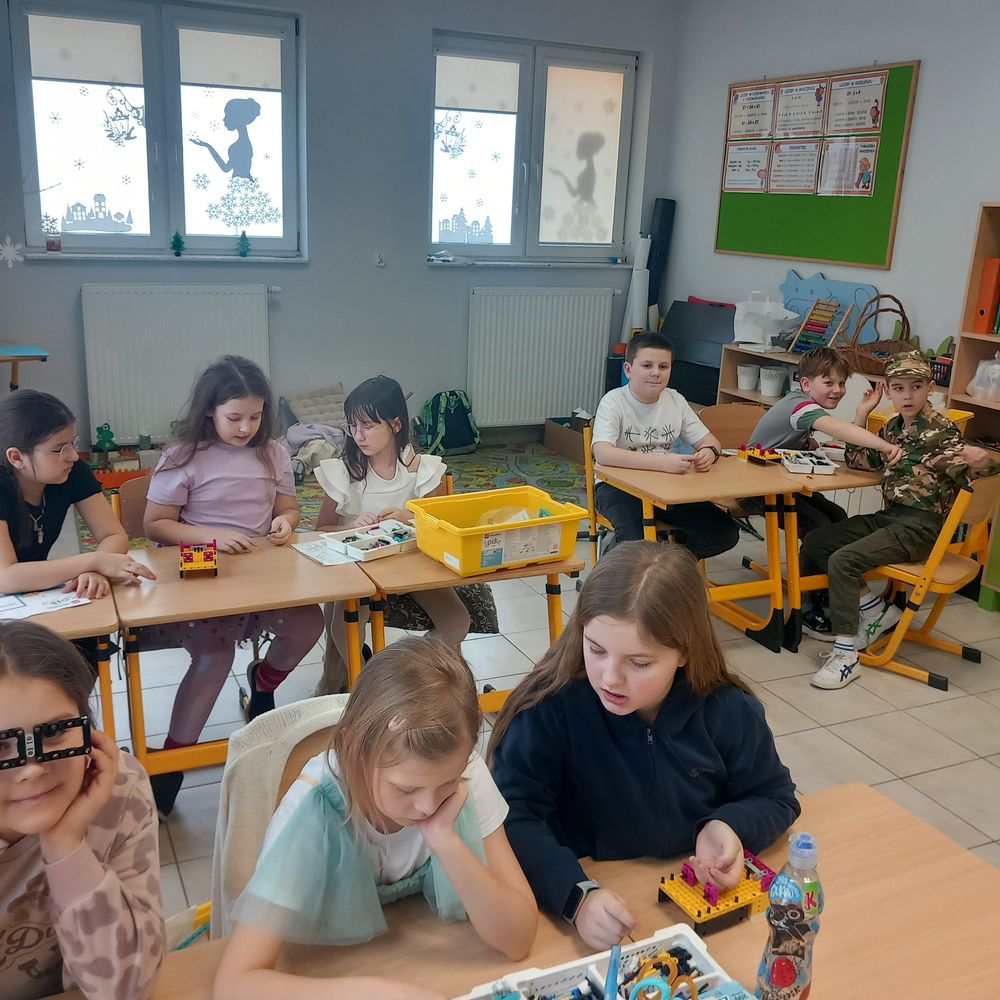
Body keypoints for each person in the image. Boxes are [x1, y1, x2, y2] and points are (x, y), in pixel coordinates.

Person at [488, 542, 799, 951]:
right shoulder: (549, 709)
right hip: (592, 897)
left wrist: (727, 825)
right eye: (596, 650)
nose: (610, 678)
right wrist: (575, 896)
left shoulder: (728, 711)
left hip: (690, 909)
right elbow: (511, 818)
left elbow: (775, 796)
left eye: (639, 663)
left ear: (684, 652)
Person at [214, 637, 537, 1000]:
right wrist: (377, 993)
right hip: (330, 970)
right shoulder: (312, 807)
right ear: (354, 749)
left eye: (446, 783)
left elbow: (519, 938)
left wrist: (446, 841)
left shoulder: (465, 774)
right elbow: (235, 984)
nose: (427, 806)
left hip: (407, 959)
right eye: (406, 789)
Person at [143, 355, 323, 814]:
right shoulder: (183, 457)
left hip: (256, 566)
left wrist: (285, 522)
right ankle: (172, 761)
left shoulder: (273, 452)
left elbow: (288, 509)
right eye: (234, 417)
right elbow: (155, 524)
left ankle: (263, 682)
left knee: (308, 623)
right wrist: (211, 536)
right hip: (202, 566)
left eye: (255, 417)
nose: (246, 428)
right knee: (214, 655)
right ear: (209, 410)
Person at [801, 350, 1000, 689]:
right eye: (898, 388)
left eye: (916, 387)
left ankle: (846, 655)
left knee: (843, 560)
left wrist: (983, 459)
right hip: (891, 517)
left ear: (930, 389)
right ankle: (875, 609)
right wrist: (862, 414)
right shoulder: (894, 427)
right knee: (818, 541)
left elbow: (978, 469)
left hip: (920, 528)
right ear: (889, 392)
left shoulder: (940, 432)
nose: (907, 396)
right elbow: (862, 461)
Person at [0, 620, 164, 1000]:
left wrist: (65, 845)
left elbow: (126, 987)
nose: (32, 770)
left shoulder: (115, 789)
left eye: (54, 732)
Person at [314, 375, 469, 693]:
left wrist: (411, 518)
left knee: (457, 621)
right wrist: (351, 526)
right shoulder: (345, 471)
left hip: (412, 568)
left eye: (368, 425)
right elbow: (320, 530)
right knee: (343, 630)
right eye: (352, 426)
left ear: (395, 424)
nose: (358, 435)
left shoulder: (422, 470)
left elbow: (443, 528)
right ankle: (366, 682)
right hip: (359, 572)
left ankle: (404, 675)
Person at [741, 346, 904, 638]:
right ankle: (806, 606)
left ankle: (825, 588)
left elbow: (834, 439)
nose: (837, 390)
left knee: (837, 516)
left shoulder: (802, 405)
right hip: (756, 489)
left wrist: (860, 413)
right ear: (806, 384)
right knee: (818, 527)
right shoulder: (801, 407)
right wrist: (883, 445)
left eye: (841, 383)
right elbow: (838, 430)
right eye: (828, 382)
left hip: (783, 485)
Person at [0, 389, 155, 607]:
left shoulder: (72, 471)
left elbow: (113, 534)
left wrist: (93, 572)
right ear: (16, 457)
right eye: (58, 449)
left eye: (72, 444)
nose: (72, 456)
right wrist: (94, 561)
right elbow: (6, 577)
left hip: (29, 597)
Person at [592, 332, 739, 560]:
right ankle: (615, 569)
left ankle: (668, 565)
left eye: (663, 366)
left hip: (666, 488)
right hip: (616, 488)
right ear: (628, 370)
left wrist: (708, 453)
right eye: (647, 365)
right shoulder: (614, 401)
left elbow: (711, 442)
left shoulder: (675, 400)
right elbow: (603, 454)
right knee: (635, 541)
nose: (655, 373)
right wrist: (662, 463)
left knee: (724, 533)